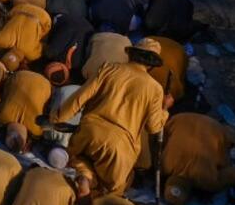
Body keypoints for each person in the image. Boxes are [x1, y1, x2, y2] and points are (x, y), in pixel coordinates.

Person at [51, 37, 170, 195]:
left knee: (79, 160)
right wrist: (165, 110)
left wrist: (57, 117)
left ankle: (85, 178)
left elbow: (81, 97)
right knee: (112, 189)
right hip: (120, 148)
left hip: (89, 132)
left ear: (131, 54)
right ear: (152, 64)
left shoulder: (108, 68)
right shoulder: (155, 89)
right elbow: (154, 127)